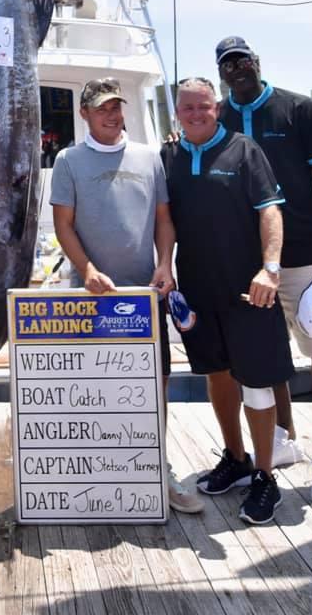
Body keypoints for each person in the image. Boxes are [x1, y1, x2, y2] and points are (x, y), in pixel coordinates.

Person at [50, 76, 202, 515]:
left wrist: (164, 263)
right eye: (102, 109)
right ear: (85, 114)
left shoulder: (148, 156)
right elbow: (63, 225)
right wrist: (88, 269)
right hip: (91, 300)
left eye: (117, 107)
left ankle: (158, 469)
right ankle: (100, 477)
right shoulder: (67, 160)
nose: (113, 115)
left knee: (156, 385)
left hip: (144, 298)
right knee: (94, 389)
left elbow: (163, 220)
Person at [216, 36, 312, 505]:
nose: (236, 70)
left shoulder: (299, 109)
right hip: (249, 263)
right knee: (265, 354)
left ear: (256, 61)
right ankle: (284, 440)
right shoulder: (218, 115)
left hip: (306, 254)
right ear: (221, 72)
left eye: (242, 60)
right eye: (227, 64)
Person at [163, 77, 293, 525]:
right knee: (216, 375)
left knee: (256, 381)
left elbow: (271, 210)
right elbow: (165, 220)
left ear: (216, 108)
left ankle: (264, 476)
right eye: (187, 108)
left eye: (203, 106)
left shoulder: (244, 150)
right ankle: (235, 458)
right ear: (176, 111)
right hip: (198, 288)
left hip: (248, 289)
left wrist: (270, 269)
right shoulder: (170, 156)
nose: (195, 114)